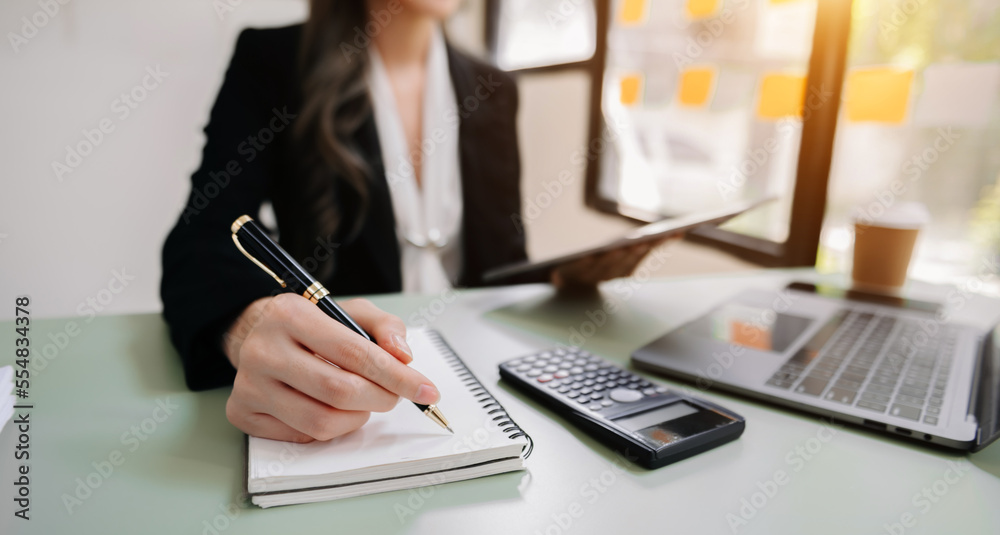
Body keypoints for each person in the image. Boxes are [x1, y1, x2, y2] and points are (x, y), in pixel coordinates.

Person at [161, 0, 659, 443]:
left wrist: (559, 280)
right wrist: (248, 323)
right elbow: (203, 238)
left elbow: (500, 262)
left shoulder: (494, 89)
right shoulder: (273, 62)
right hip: (342, 380)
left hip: (480, 369)